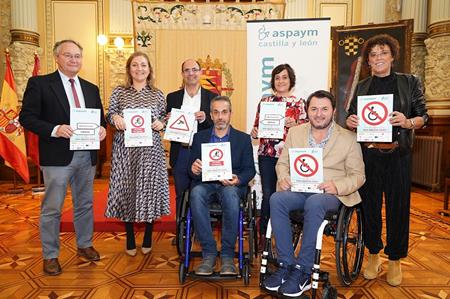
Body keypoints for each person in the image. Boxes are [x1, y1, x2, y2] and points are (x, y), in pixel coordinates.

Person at [263, 90, 365, 297]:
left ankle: (303, 270)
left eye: (324, 109)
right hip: (300, 189)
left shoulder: (349, 138)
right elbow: (282, 163)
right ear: (307, 111)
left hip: (330, 195)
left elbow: (358, 176)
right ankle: (285, 265)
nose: (319, 114)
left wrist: (336, 185)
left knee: (316, 203)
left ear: (333, 111)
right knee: (277, 199)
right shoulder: (295, 133)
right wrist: (283, 177)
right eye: (314, 109)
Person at [346, 34, 428, 286]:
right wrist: (351, 121)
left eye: (383, 52)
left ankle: (395, 260)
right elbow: (350, 117)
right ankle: (373, 254)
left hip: (398, 155)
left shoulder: (409, 82)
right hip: (369, 155)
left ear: (392, 56)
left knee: (398, 208)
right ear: (368, 61)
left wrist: (407, 122)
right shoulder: (362, 87)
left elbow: (423, 117)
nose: (378, 57)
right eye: (373, 54)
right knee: (369, 207)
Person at [19, 39, 107, 275]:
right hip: (57, 156)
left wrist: (102, 129)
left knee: (85, 204)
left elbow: (100, 119)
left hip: (86, 156)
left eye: (77, 56)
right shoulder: (40, 84)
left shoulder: (91, 88)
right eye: (68, 55)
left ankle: (85, 244)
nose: (73, 60)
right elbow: (26, 117)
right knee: (52, 207)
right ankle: (50, 255)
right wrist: (55, 129)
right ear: (57, 57)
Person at [105, 52, 170, 256]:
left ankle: (149, 236)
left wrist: (162, 123)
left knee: (149, 190)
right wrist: (115, 117)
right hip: (125, 150)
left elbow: (163, 118)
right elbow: (108, 114)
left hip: (151, 151)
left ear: (149, 69)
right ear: (129, 69)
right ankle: (130, 239)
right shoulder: (119, 92)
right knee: (127, 190)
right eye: (135, 65)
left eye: (143, 65)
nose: (139, 69)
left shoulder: (158, 94)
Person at [189, 95, 256, 275]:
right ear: (211, 115)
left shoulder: (242, 139)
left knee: (230, 194)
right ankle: (209, 253)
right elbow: (191, 170)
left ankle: (227, 254)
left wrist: (238, 179)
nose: (220, 117)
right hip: (207, 183)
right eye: (216, 112)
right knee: (195, 193)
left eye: (224, 112)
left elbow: (250, 170)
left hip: (231, 186)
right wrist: (194, 169)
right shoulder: (199, 137)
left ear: (230, 114)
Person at [250, 64, 307, 243]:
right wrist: (254, 132)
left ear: (291, 80)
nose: (281, 81)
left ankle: (286, 234)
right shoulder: (265, 102)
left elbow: (307, 130)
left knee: (286, 194)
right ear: (273, 81)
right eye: (277, 77)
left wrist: (296, 124)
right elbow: (257, 126)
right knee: (269, 194)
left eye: (284, 77)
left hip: (290, 156)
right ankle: (264, 235)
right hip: (267, 154)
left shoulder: (299, 103)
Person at [166, 59, 217, 244]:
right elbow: (166, 126)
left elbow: (219, 125)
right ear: (182, 74)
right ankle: (182, 232)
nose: (191, 73)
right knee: (181, 193)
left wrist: (206, 119)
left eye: (194, 70)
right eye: (186, 70)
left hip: (203, 154)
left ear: (200, 72)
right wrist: (168, 120)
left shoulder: (211, 97)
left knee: (201, 193)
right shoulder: (172, 97)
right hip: (181, 151)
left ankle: (200, 231)